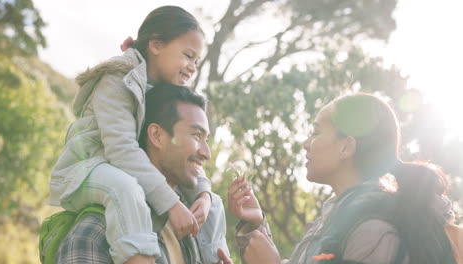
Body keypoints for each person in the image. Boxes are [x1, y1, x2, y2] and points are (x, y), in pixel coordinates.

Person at [49, 6, 215, 264]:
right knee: (126, 189)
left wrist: (203, 194)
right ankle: (139, 258)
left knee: (212, 202)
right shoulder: (117, 79)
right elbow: (122, 150)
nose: (192, 67)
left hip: (124, 171)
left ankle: (214, 257)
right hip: (87, 170)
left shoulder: (162, 93)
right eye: (187, 55)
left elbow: (186, 151)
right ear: (157, 44)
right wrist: (172, 205)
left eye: (196, 61)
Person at [226, 93, 456, 264]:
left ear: (346, 147)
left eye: (315, 132)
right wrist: (255, 224)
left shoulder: (374, 228)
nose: (305, 143)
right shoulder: (341, 217)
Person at [53, 84, 231, 264]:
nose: (206, 153)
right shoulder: (94, 233)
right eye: (196, 135)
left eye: (206, 139)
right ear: (156, 136)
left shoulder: (191, 223)